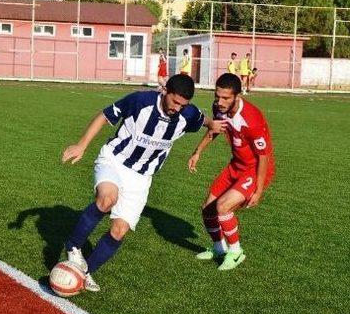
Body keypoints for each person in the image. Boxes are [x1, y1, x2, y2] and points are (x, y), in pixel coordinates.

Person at [61, 74, 227, 292]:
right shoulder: (140, 101)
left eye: (182, 104)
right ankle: (73, 246)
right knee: (107, 199)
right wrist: (82, 145)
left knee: (120, 230)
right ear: (165, 91)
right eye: (175, 101)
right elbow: (105, 115)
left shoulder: (187, 114)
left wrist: (212, 123)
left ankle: (85, 273)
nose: (177, 108)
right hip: (115, 160)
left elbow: (201, 119)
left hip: (141, 177)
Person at [188, 73, 275, 271]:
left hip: (254, 170)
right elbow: (214, 130)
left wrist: (258, 190)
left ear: (237, 95)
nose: (220, 101)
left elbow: (264, 156)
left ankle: (236, 252)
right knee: (208, 208)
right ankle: (219, 248)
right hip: (235, 166)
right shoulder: (219, 108)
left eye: (226, 98)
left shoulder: (251, 118)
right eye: (217, 96)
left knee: (223, 207)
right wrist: (198, 152)